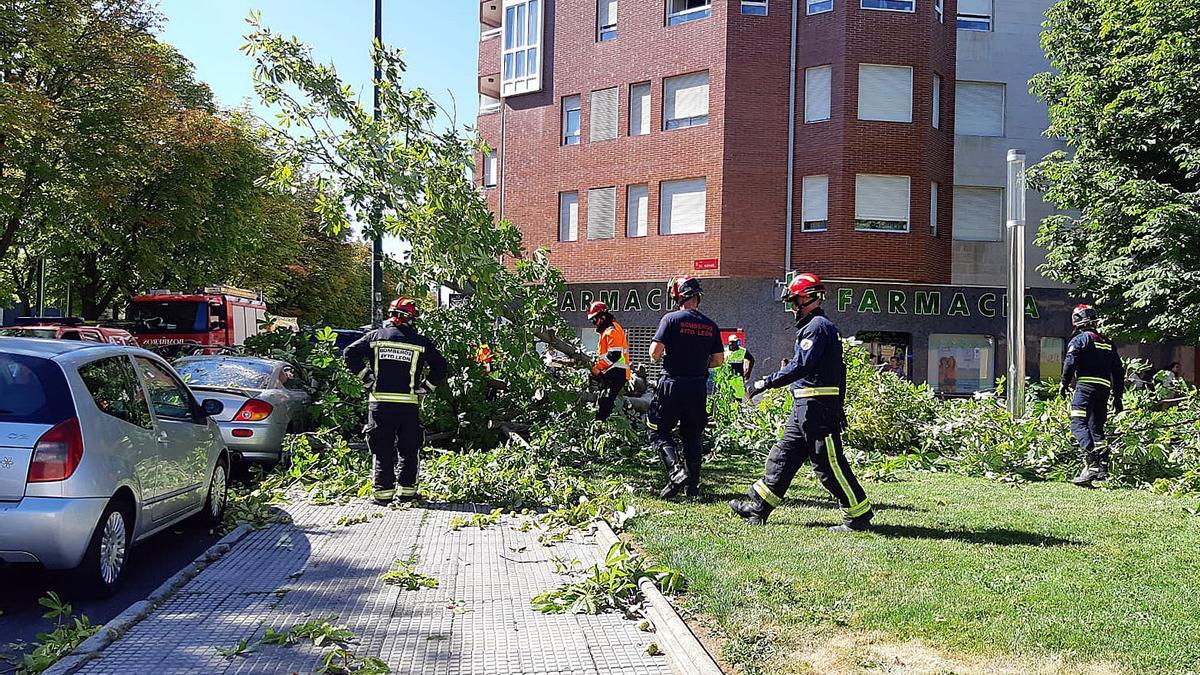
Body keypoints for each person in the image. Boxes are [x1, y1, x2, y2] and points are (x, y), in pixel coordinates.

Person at [730, 272, 873, 531]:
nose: (792, 308)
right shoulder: (814, 327)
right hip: (805, 409)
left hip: (818, 409)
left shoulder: (817, 327)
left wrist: (765, 382)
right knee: (782, 456)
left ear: (807, 299)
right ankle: (759, 508)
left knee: (828, 464)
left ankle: (858, 516)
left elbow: (801, 366)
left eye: (794, 301)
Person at [345, 297, 448, 504]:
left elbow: (350, 353)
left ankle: (382, 494)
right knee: (409, 448)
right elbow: (441, 366)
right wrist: (426, 388)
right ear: (411, 318)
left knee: (382, 449)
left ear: (391, 315)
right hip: (408, 405)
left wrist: (366, 378)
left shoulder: (375, 337)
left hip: (379, 404)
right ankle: (407, 493)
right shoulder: (420, 343)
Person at [648, 275, 725, 499]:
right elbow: (719, 361)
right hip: (697, 388)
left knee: (658, 430)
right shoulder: (711, 325)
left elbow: (654, 353)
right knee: (692, 436)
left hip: (672, 384)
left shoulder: (670, 319)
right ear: (698, 297)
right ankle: (693, 487)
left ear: (678, 297)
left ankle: (675, 471)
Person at [1059, 304, 1125, 488]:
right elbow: (1119, 372)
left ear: (1077, 320)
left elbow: (1070, 363)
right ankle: (1103, 467)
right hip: (1103, 389)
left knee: (1078, 424)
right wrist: (1118, 397)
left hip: (1085, 387)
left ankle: (1091, 465)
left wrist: (1064, 384)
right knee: (1097, 428)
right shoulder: (1108, 342)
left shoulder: (1080, 340)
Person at [587, 301, 631, 421]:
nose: (594, 324)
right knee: (602, 403)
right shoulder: (606, 331)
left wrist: (598, 368)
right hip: (611, 372)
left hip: (617, 372)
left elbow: (614, 355)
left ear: (603, 316)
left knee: (604, 405)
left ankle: (601, 429)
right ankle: (601, 427)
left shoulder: (612, 330)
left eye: (594, 320)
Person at [724, 335, 756, 400]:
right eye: (732, 342)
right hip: (727, 378)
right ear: (729, 342)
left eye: (735, 342)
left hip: (738, 378)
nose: (733, 343)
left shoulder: (742, 351)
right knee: (727, 398)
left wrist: (748, 372)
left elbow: (752, 359)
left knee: (738, 398)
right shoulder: (725, 351)